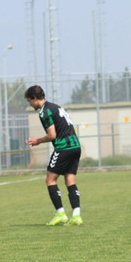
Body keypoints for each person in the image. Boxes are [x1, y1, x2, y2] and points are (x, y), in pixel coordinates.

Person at [25, 85, 83, 226]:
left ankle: (60, 214)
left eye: (29, 101)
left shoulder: (44, 111)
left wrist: (37, 141)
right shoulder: (56, 107)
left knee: (50, 180)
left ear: (34, 98)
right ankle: (76, 215)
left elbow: (52, 135)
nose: (30, 104)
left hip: (63, 147)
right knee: (70, 180)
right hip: (75, 146)